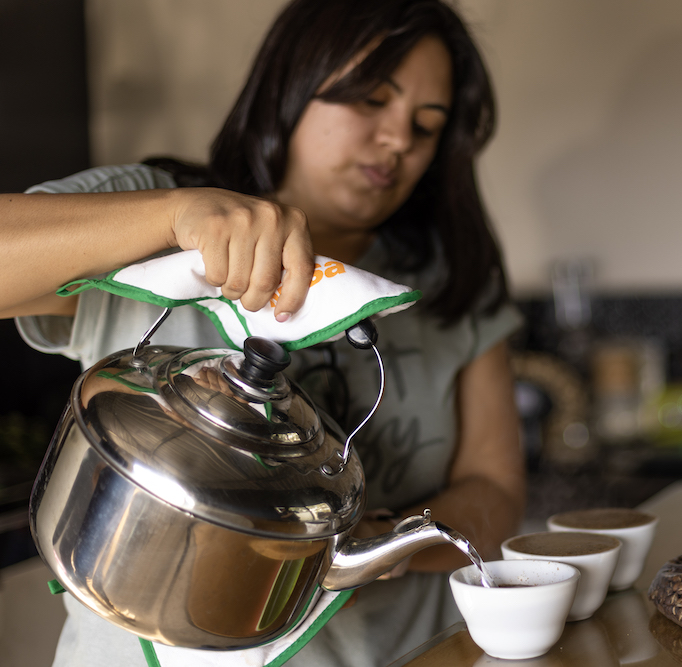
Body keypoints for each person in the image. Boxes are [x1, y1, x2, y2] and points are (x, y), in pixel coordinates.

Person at [0, 1, 525, 665]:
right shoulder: (161, 218)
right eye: (370, 100)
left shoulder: (449, 278)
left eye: (427, 125)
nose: (399, 141)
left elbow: (496, 488)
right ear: (292, 84)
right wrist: (175, 215)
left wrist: (380, 541)